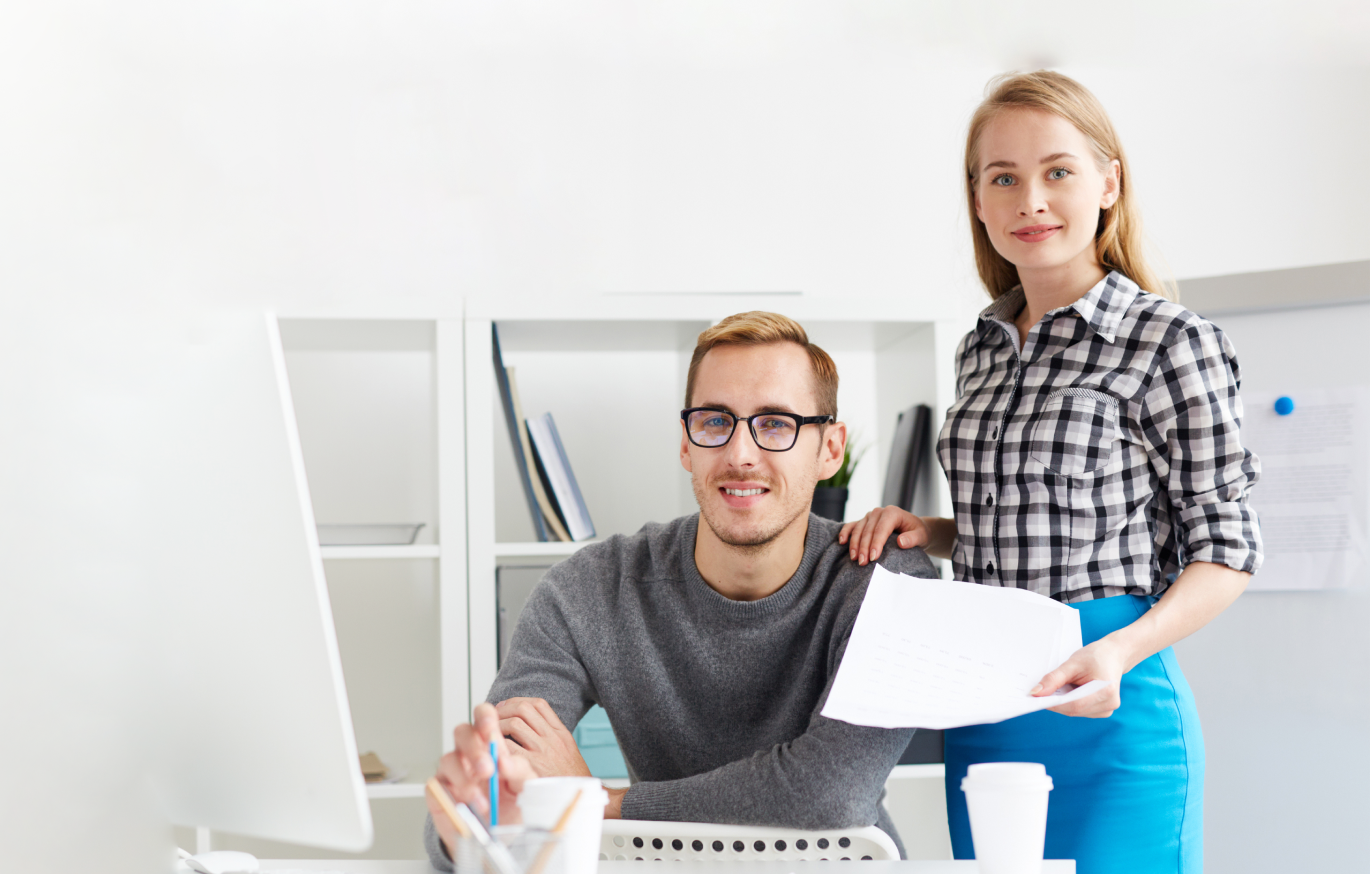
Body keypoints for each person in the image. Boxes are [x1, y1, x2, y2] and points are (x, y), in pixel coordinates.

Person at [838, 71, 1261, 874]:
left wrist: (1121, 651)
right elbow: (1034, 518)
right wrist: (932, 531)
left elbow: (1228, 550)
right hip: (986, 707)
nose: (1031, 200)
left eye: (1057, 171)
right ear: (978, 200)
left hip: (1111, 707)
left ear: (1108, 184)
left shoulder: (1170, 342)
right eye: (1003, 178)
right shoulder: (981, 350)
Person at [422, 311, 937, 869]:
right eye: (715, 421)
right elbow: (477, 804)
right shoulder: (589, 591)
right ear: (687, 444)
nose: (740, 454)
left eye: (775, 424)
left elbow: (831, 794)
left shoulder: (885, 582)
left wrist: (598, 802)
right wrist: (473, 816)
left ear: (830, 450)